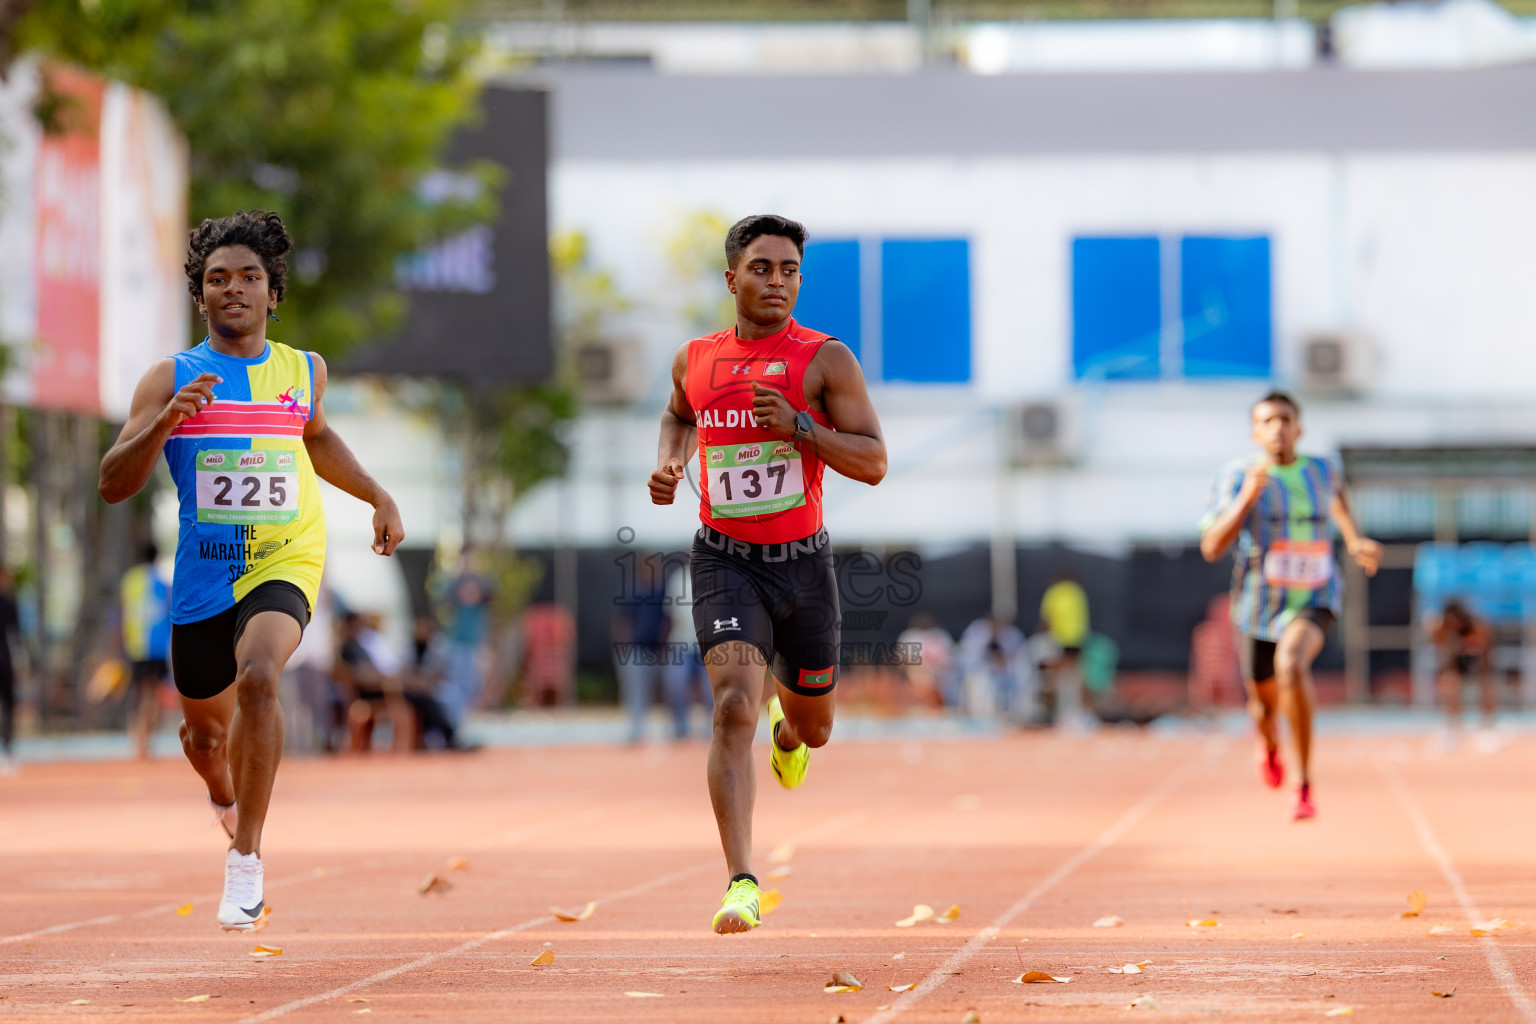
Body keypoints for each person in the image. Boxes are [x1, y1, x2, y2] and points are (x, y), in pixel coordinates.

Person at [97, 210, 404, 931]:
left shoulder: (303, 370)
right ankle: (222, 791)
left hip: (285, 558)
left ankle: (246, 861)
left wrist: (378, 494)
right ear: (200, 296)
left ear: (273, 294)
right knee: (206, 740)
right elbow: (113, 482)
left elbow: (318, 439)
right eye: (217, 279)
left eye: (249, 278)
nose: (233, 288)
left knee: (262, 680)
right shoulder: (170, 378)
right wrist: (163, 421)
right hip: (203, 576)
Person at [649, 214, 886, 933]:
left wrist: (801, 428)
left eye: (789, 270)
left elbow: (874, 462)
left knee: (813, 729)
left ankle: (787, 734)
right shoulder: (694, 358)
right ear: (732, 279)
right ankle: (742, 881)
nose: (776, 281)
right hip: (725, 559)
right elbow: (677, 414)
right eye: (762, 268)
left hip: (802, 564)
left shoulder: (825, 361)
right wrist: (670, 461)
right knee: (730, 708)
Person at [1199, 390, 1379, 821]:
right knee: (1262, 705)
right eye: (1268, 421)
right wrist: (1245, 499)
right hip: (1259, 603)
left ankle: (1303, 785)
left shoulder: (1323, 470)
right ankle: (1269, 743)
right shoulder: (1235, 475)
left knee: (1292, 666)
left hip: (1316, 595)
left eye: (1285, 419)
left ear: (1299, 427)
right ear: (1255, 432)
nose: (1278, 428)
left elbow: (1338, 500)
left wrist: (1355, 539)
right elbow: (1210, 547)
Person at [120, 543, 173, 760]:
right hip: (157, 647)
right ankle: (145, 741)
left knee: (140, 694)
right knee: (152, 695)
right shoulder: (163, 583)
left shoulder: (129, 581)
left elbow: (123, 614)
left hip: (136, 646)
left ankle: (139, 740)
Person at [435, 548, 494, 730]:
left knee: (473, 683)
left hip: (475, 641)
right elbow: (442, 601)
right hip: (456, 640)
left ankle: (465, 721)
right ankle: (455, 721)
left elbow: (488, 597)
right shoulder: (453, 583)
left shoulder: (483, 583)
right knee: (455, 682)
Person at [613, 555, 669, 744]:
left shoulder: (663, 591)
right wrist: (623, 648)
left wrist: (665, 645)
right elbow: (624, 620)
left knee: (667, 690)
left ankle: (675, 730)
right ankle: (636, 730)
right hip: (636, 649)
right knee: (636, 692)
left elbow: (668, 620)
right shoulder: (633, 590)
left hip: (658, 650)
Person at [1428, 599, 1497, 731]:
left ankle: (1488, 720)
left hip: (1476, 659)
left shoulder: (1476, 626)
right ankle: (1454, 721)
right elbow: (1442, 651)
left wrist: (1469, 647)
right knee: (1449, 682)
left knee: (1487, 683)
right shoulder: (1441, 628)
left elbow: (1486, 650)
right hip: (1456, 661)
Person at [1038, 572, 1090, 726]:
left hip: (1058, 639)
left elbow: (1047, 617)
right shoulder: (1077, 592)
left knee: (1054, 676)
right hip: (1076, 639)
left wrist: (1043, 635)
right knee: (1074, 676)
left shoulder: (1054, 592)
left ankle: (1057, 713)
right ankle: (1075, 712)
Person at [0, 567, 19, 775]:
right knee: (7, 706)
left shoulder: (9, 602)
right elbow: (16, 636)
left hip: (4, 660)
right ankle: (8, 751)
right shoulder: (9, 602)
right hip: (4, 659)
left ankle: (8, 750)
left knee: (8, 705)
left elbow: (15, 635)